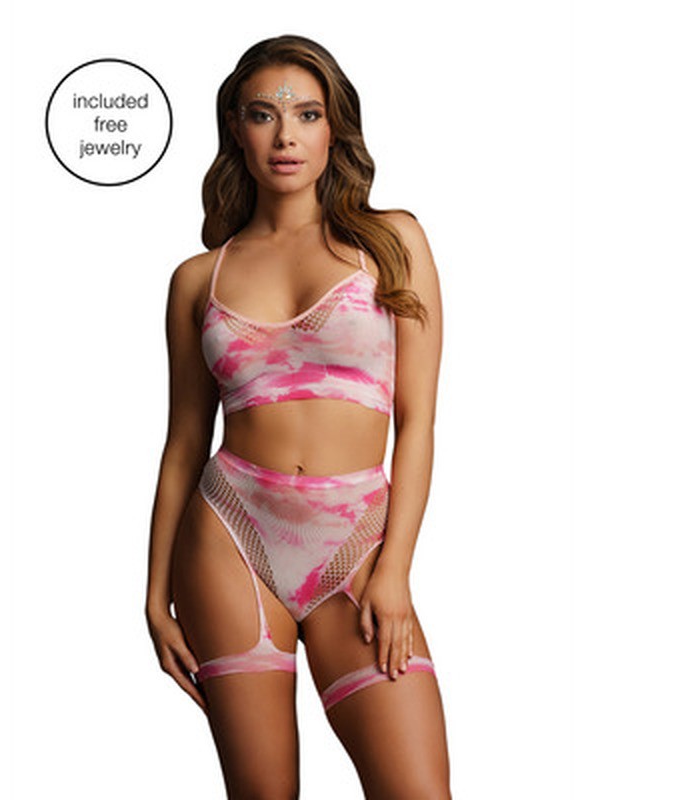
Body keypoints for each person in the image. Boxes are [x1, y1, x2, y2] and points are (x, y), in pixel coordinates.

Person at [145, 34, 451, 799]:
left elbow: (418, 421)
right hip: (229, 537)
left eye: (307, 114)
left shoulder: (392, 242)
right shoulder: (197, 279)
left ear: (333, 127)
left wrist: (396, 570)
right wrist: (154, 596)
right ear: (236, 129)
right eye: (264, 114)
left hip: (359, 543)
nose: (286, 136)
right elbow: (184, 443)